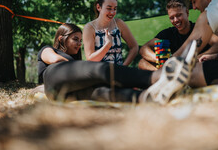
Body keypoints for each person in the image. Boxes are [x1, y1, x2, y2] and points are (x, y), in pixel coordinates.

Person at [37, 23, 199, 104]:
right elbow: (55, 60)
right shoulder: (48, 49)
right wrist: (86, 69)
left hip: (63, 94)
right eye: (75, 39)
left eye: (80, 40)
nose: (79, 43)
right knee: (100, 70)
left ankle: (146, 97)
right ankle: (160, 76)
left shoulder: (75, 63)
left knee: (100, 92)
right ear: (60, 38)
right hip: (55, 76)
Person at [138, 0, 218, 70]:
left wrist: (197, 58)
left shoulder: (199, 28)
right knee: (142, 62)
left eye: (179, 15)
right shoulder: (168, 33)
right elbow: (144, 49)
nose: (175, 20)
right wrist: (161, 60)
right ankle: (164, 77)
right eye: (172, 18)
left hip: (198, 66)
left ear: (187, 12)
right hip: (174, 68)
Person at [83, 0, 138, 65]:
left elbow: (134, 47)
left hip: (119, 73)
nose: (112, 12)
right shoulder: (89, 28)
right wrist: (107, 45)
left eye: (115, 9)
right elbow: (90, 59)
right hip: (99, 74)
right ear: (98, 7)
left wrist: (123, 67)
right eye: (109, 8)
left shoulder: (119, 23)